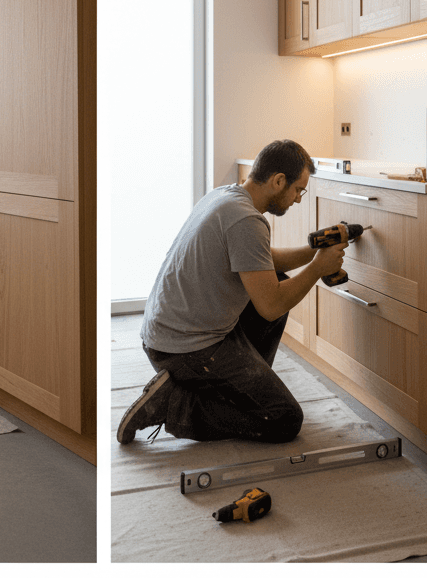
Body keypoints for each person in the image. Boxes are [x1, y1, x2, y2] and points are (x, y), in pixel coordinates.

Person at [117, 138, 348, 445]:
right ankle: (174, 405)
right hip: (183, 349)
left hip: (168, 335)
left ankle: (240, 391)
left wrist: (312, 251)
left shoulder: (227, 197)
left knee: (275, 277)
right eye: (298, 190)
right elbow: (270, 305)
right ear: (278, 181)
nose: (298, 199)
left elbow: (262, 260)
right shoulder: (246, 220)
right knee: (284, 418)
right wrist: (318, 268)